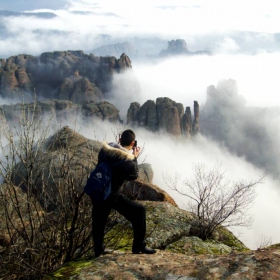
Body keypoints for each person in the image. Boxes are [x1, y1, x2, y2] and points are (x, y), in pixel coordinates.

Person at [91, 129, 157, 257]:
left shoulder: (105, 150)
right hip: (112, 195)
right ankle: (139, 246)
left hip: (98, 189)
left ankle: (98, 250)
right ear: (133, 143)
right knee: (139, 211)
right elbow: (133, 175)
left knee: (99, 221)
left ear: (119, 140)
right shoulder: (128, 162)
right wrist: (134, 158)